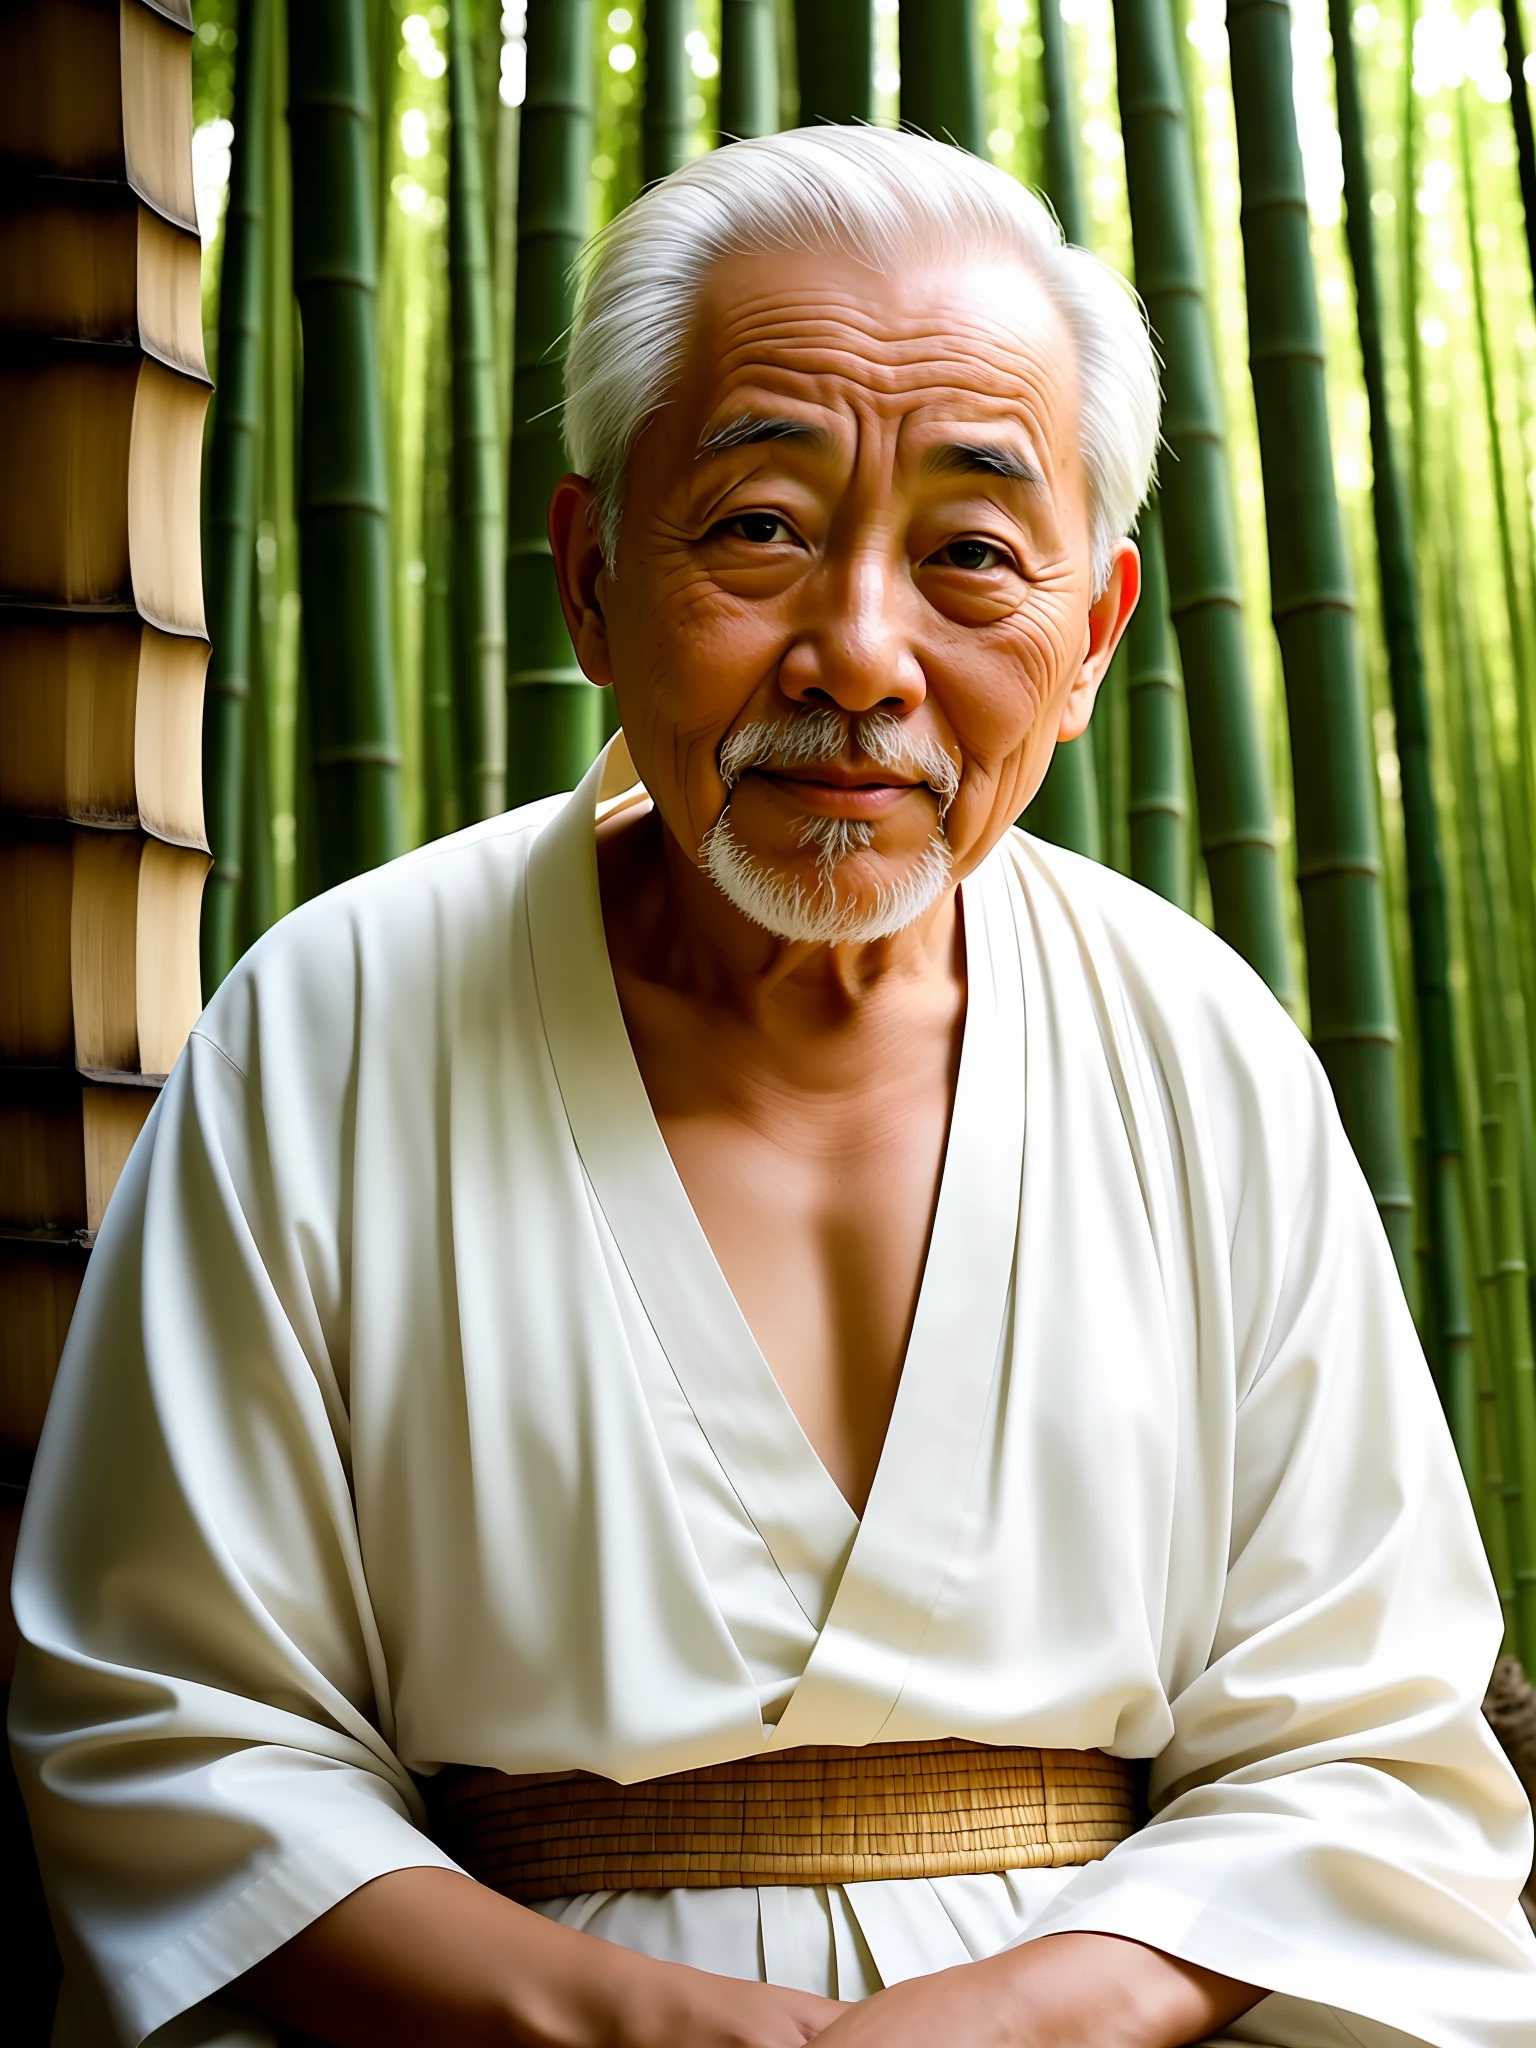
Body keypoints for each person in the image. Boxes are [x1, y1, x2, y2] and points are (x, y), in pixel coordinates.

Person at [10, 125, 1535, 2048]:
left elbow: (1375, 1747)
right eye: (758, 528)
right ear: (587, 578)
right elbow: (178, 1735)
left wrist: (1011, 2025)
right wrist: (650, 2032)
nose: (864, 654)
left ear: (1091, 640)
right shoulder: (334, 1023)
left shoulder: (1198, 1049)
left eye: (975, 552)